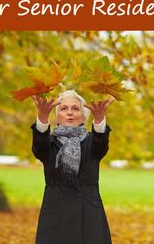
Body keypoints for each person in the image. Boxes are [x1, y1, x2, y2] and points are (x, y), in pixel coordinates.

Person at [30, 90, 114, 244]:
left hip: (89, 217)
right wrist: (42, 117)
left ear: (84, 116)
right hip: (56, 217)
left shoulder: (92, 142)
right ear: (56, 117)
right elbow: (39, 147)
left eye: (75, 108)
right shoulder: (49, 143)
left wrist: (99, 118)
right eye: (63, 108)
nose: (70, 113)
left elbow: (100, 142)